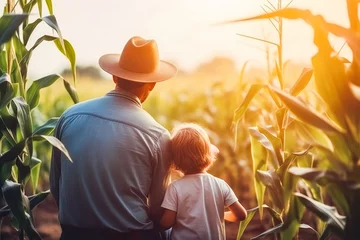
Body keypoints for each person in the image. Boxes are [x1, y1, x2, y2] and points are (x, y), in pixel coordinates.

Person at [50, 36, 177, 240]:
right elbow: (157, 210)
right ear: (152, 84)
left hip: (74, 234)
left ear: (115, 77)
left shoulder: (69, 116)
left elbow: (56, 186)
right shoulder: (157, 135)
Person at [160, 123, 247, 240]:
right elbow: (241, 215)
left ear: (175, 160)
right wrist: (218, 215)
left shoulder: (175, 188)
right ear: (207, 153)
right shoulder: (220, 184)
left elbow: (166, 223)